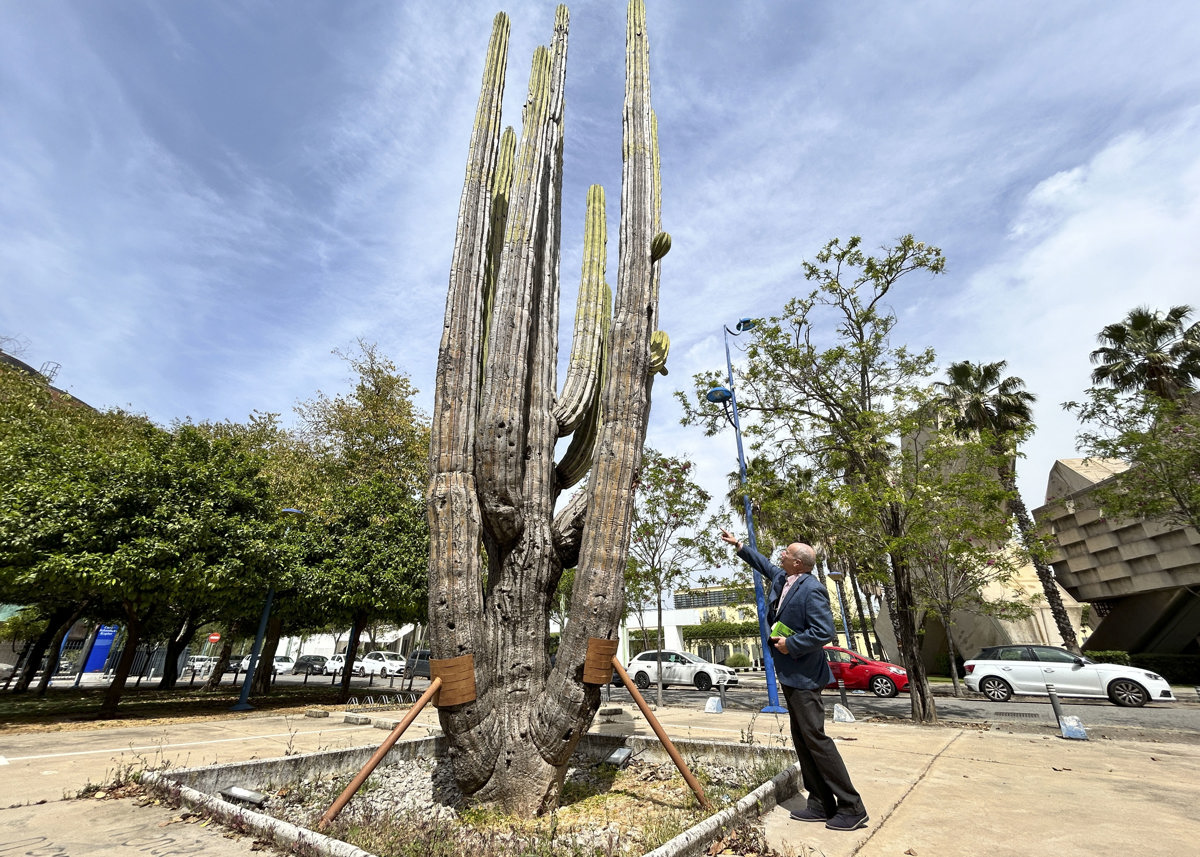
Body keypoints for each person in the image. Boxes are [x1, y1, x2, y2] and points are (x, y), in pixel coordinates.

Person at [719, 527, 869, 831]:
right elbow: (764, 564)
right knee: (802, 740)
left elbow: (824, 631)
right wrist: (739, 545)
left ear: (798, 563)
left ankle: (852, 807)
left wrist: (792, 644)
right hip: (789, 672)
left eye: (786, 553)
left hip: (805, 673)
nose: (781, 555)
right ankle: (820, 803)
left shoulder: (811, 588)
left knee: (816, 739)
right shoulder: (783, 579)